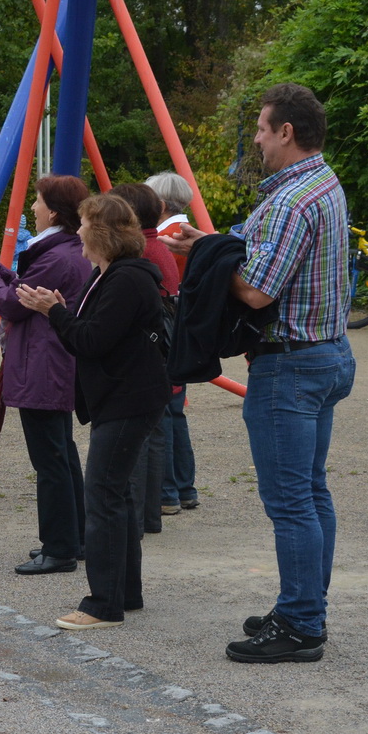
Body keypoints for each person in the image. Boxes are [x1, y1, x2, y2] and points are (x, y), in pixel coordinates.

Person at [161, 83, 354, 664]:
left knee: (291, 500)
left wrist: (203, 258)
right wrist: (212, 243)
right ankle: (306, 606)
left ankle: (300, 627)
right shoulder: (322, 183)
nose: (257, 138)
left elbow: (256, 289)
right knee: (311, 491)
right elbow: (256, 249)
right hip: (327, 354)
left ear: (286, 132)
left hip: (289, 366)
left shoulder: (292, 201)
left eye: (262, 129)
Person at [16, 193, 168, 630]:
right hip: (122, 397)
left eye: (83, 224)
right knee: (115, 495)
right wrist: (61, 311)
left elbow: (91, 341)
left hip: (128, 399)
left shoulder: (126, 279)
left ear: (101, 232)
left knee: (101, 494)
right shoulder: (113, 275)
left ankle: (103, 602)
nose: (77, 231)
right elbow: (91, 333)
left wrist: (54, 313)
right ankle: (126, 591)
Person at [0, 174, 93, 572]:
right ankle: (73, 537)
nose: (33, 208)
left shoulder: (57, 255)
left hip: (42, 365)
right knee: (60, 453)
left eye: (38, 201)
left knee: (50, 460)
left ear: (54, 210)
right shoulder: (65, 250)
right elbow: (23, 290)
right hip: (52, 363)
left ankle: (60, 547)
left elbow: (11, 304)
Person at [112, 182, 181, 537]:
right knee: (154, 435)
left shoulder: (143, 253)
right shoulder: (158, 247)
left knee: (138, 439)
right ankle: (149, 514)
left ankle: (135, 518)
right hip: (162, 357)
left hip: (146, 360)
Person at [146, 170, 200, 517]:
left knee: (163, 415)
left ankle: (166, 493)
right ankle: (184, 488)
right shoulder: (193, 234)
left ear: (160, 205)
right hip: (184, 329)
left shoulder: (164, 238)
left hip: (165, 332)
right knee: (175, 413)